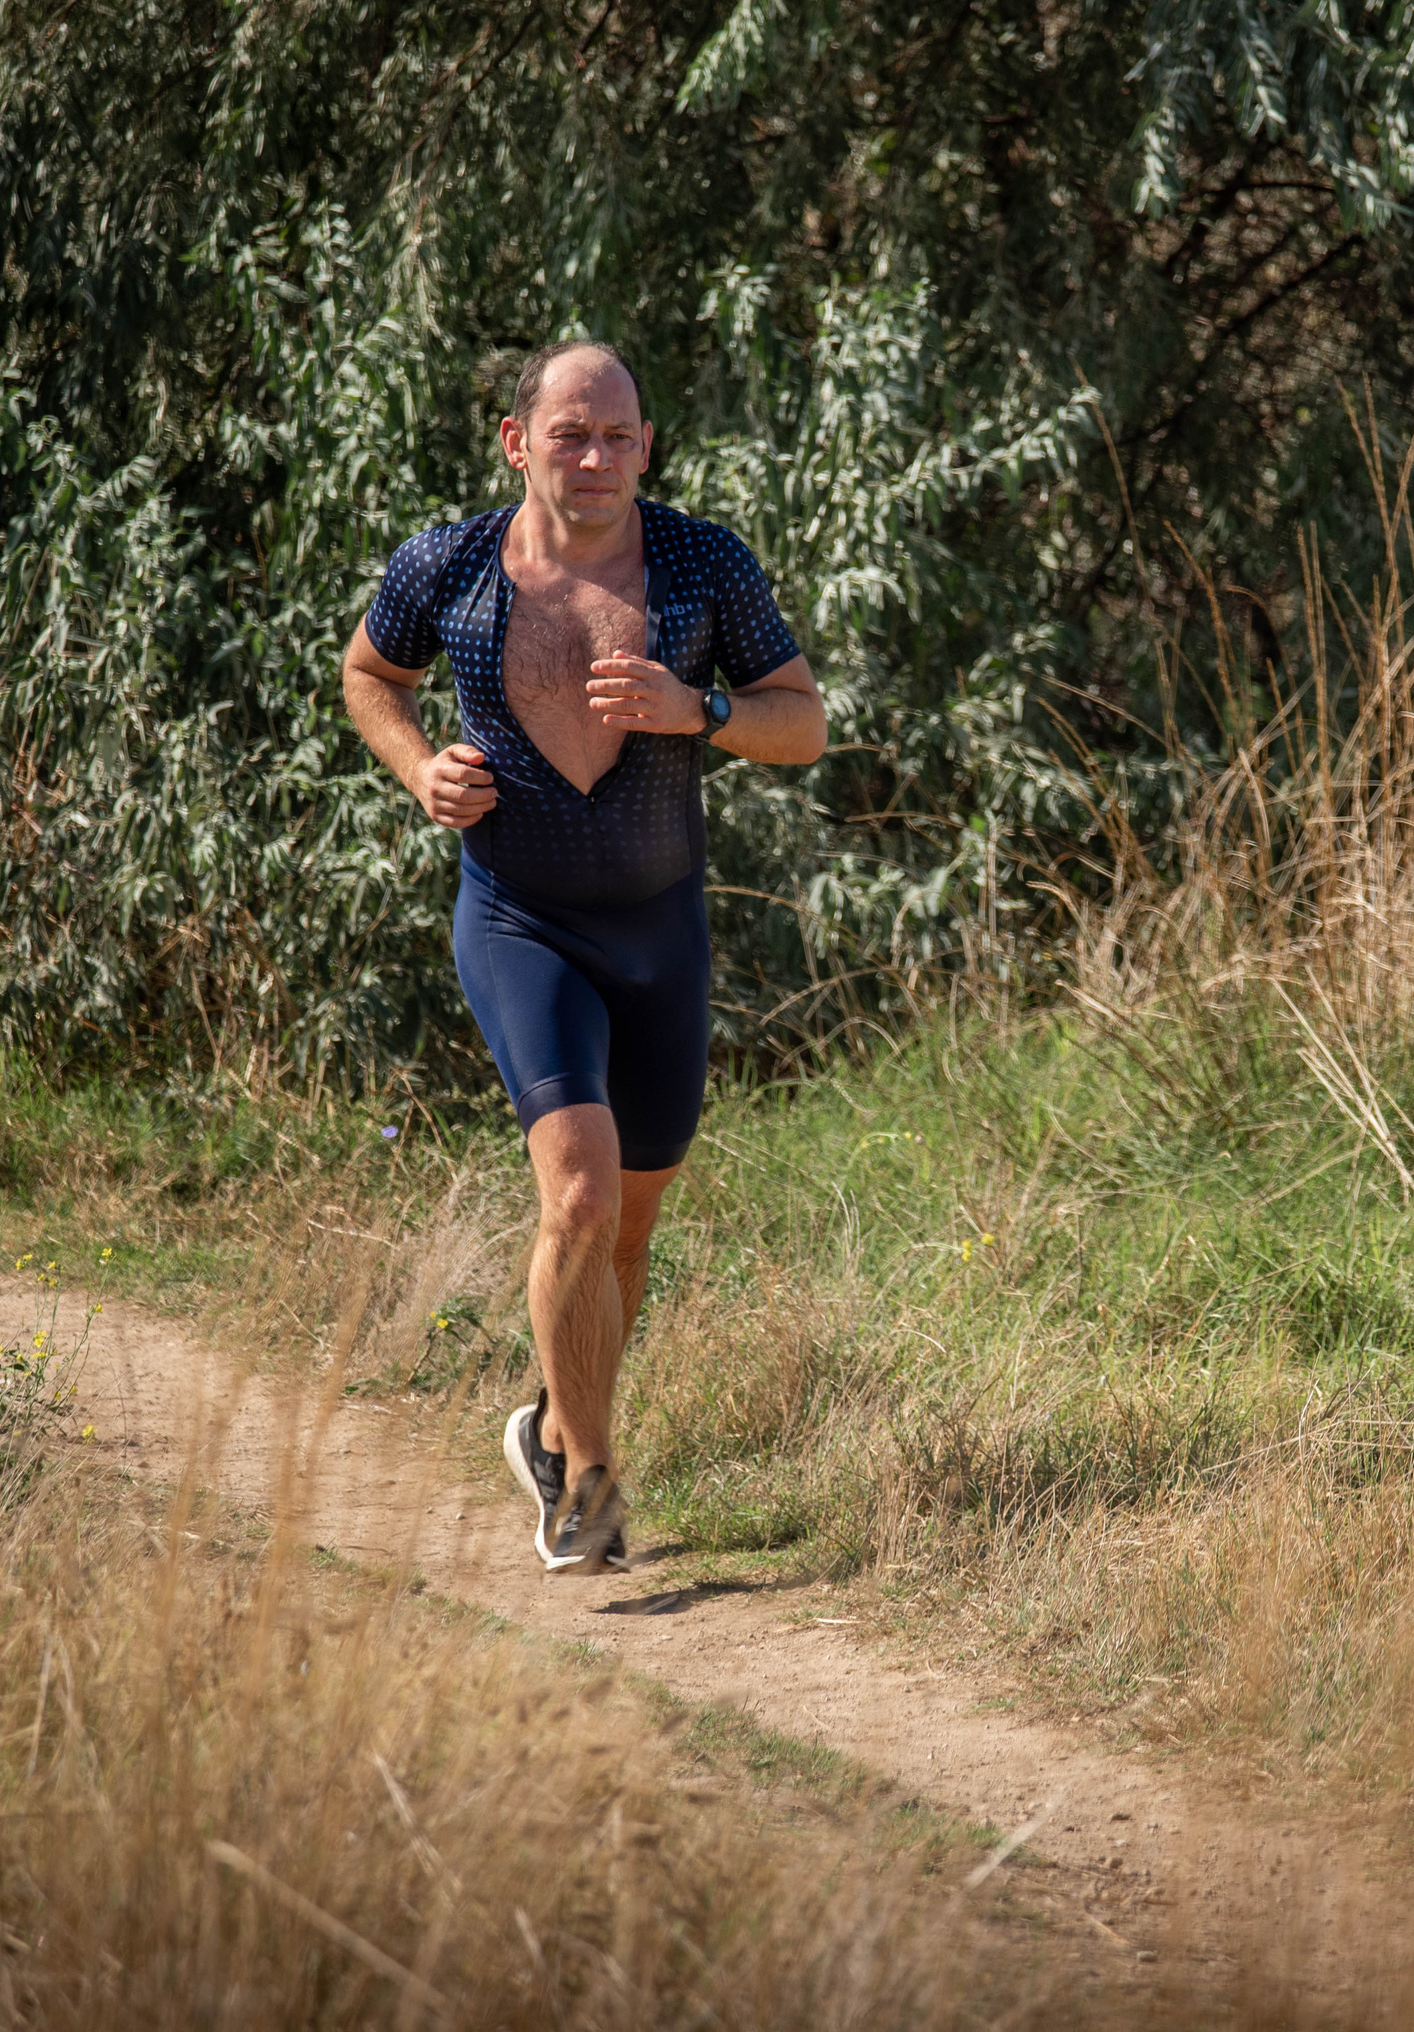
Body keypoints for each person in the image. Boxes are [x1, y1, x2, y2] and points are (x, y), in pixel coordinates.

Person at [342, 341, 827, 1574]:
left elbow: (804, 723)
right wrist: (419, 768)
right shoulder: (444, 564)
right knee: (580, 1192)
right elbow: (368, 674)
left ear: (647, 446)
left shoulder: (702, 563)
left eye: (618, 434)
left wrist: (701, 710)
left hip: (661, 930)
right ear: (519, 443)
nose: (597, 457)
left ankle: (553, 1429)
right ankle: (593, 1490)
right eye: (570, 434)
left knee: (628, 1224)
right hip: (519, 917)